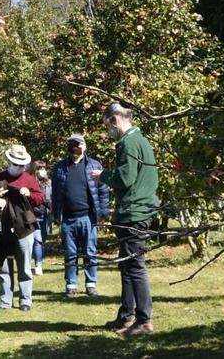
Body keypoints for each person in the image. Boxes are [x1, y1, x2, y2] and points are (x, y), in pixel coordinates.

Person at [93, 103, 159, 336]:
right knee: (127, 264)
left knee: (135, 266)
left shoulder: (128, 142)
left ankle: (143, 321)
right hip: (138, 209)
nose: (108, 130)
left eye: (107, 124)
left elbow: (126, 177)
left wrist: (103, 176)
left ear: (115, 119)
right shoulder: (140, 139)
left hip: (134, 212)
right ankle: (126, 316)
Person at [51, 134, 109, 298]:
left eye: (77, 144)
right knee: (70, 253)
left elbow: (103, 191)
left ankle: (91, 284)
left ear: (84, 146)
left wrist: (103, 212)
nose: (74, 147)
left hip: (88, 217)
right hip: (68, 218)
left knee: (90, 252)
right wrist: (56, 214)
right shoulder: (60, 167)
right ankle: (71, 284)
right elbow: (55, 194)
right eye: (71, 144)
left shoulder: (94, 165)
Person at [0, 143, 44, 311]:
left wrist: (29, 194)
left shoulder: (28, 179)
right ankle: (5, 301)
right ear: (9, 161)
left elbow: (40, 197)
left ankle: (25, 301)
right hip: (3, 228)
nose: (18, 167)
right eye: (15, 163)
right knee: (4, 266)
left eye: (21, 164)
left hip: (24, 227)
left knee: (24, 266)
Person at [30, 161, 52, 276]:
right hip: (34, 215)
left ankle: (38, 260)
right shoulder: (31, 182)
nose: (42, 170)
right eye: (39, 168)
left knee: (42, 241)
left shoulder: (48, 183)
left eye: (44, 168)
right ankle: (38, 265)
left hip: (45, 216)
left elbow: (51, 197)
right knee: (37, 241)